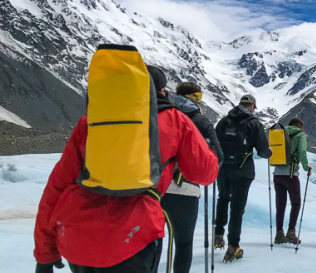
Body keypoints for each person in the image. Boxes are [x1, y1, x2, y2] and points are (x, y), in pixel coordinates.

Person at [34, 65, 219, 272]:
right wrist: (208, 150)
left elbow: (56, 188)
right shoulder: (175, 121)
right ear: (161, 90)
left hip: (78, 237)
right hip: (134, 236)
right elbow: (205, 173)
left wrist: (44, 254)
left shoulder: (91, 122)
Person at [161, 82, 224, 273]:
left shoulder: (160, 114)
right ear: (197, 97)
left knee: (150, 242)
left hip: (154, 187)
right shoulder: (201, 121)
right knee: (183, 243)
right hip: (185, 189)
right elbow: (218, 157)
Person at [214, 94, 272, 263]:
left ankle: (218, 235)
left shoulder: (224, 122)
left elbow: (214, 144)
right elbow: (262, 151)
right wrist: (269, 152)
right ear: (253, 105)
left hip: (223, 169)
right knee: (237, 209)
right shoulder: (253, 123)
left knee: (223, 199)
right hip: (243, 171)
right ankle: (233, 246)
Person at [273, 117, 312, 245]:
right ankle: (291, 232)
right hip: (291, 175)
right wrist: (306, 167)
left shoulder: (280, 133)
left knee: (280, 204)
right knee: (295, 203)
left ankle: (279, 234)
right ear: (300, 126)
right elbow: (301, 152)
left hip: (277, 174)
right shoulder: (300, 135)